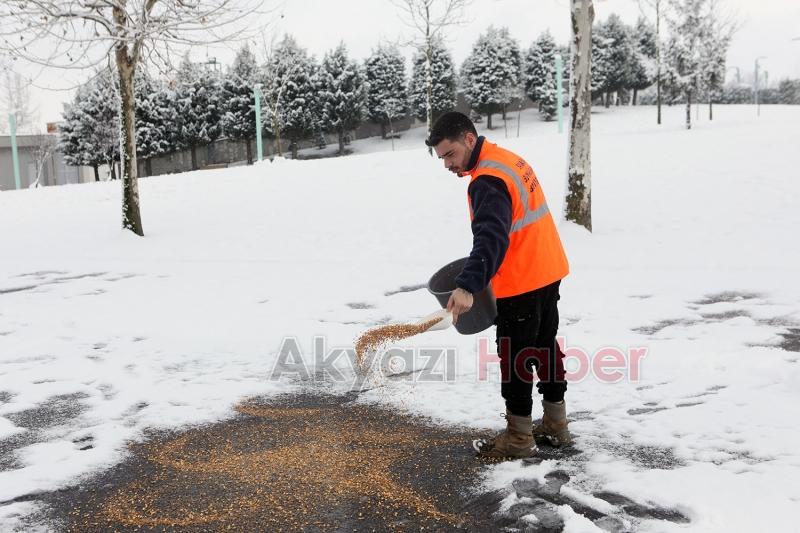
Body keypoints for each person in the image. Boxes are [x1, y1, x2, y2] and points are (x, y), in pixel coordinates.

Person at [425, 112, 571, 459]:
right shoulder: (507, 160)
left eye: (450, 154)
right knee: (545, 348)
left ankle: (519, 438)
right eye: (442, 157)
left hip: (522, 280)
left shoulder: (487, 179)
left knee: (516, 359)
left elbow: (491, 238)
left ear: (469, 140)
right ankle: (556, 424)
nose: (447, 164)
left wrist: (467, 286)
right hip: (547, 269)